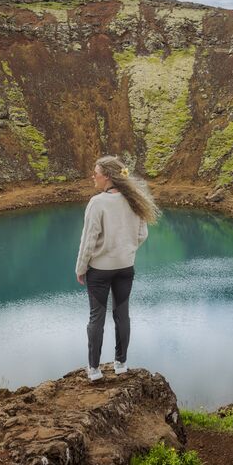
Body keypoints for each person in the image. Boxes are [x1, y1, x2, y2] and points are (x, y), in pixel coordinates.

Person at [76, 156, 159, 381]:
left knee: (97, 318)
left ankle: (94, 370)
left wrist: (81, 268)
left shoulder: (97, 202)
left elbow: (88, 240)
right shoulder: (134, 199)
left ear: (109, 177)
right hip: (125, 267)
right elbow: (142, 234)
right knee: (122, 314)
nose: (93, 176)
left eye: (96, 173)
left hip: (99, 271)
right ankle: (121, 363)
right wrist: (127, 251)